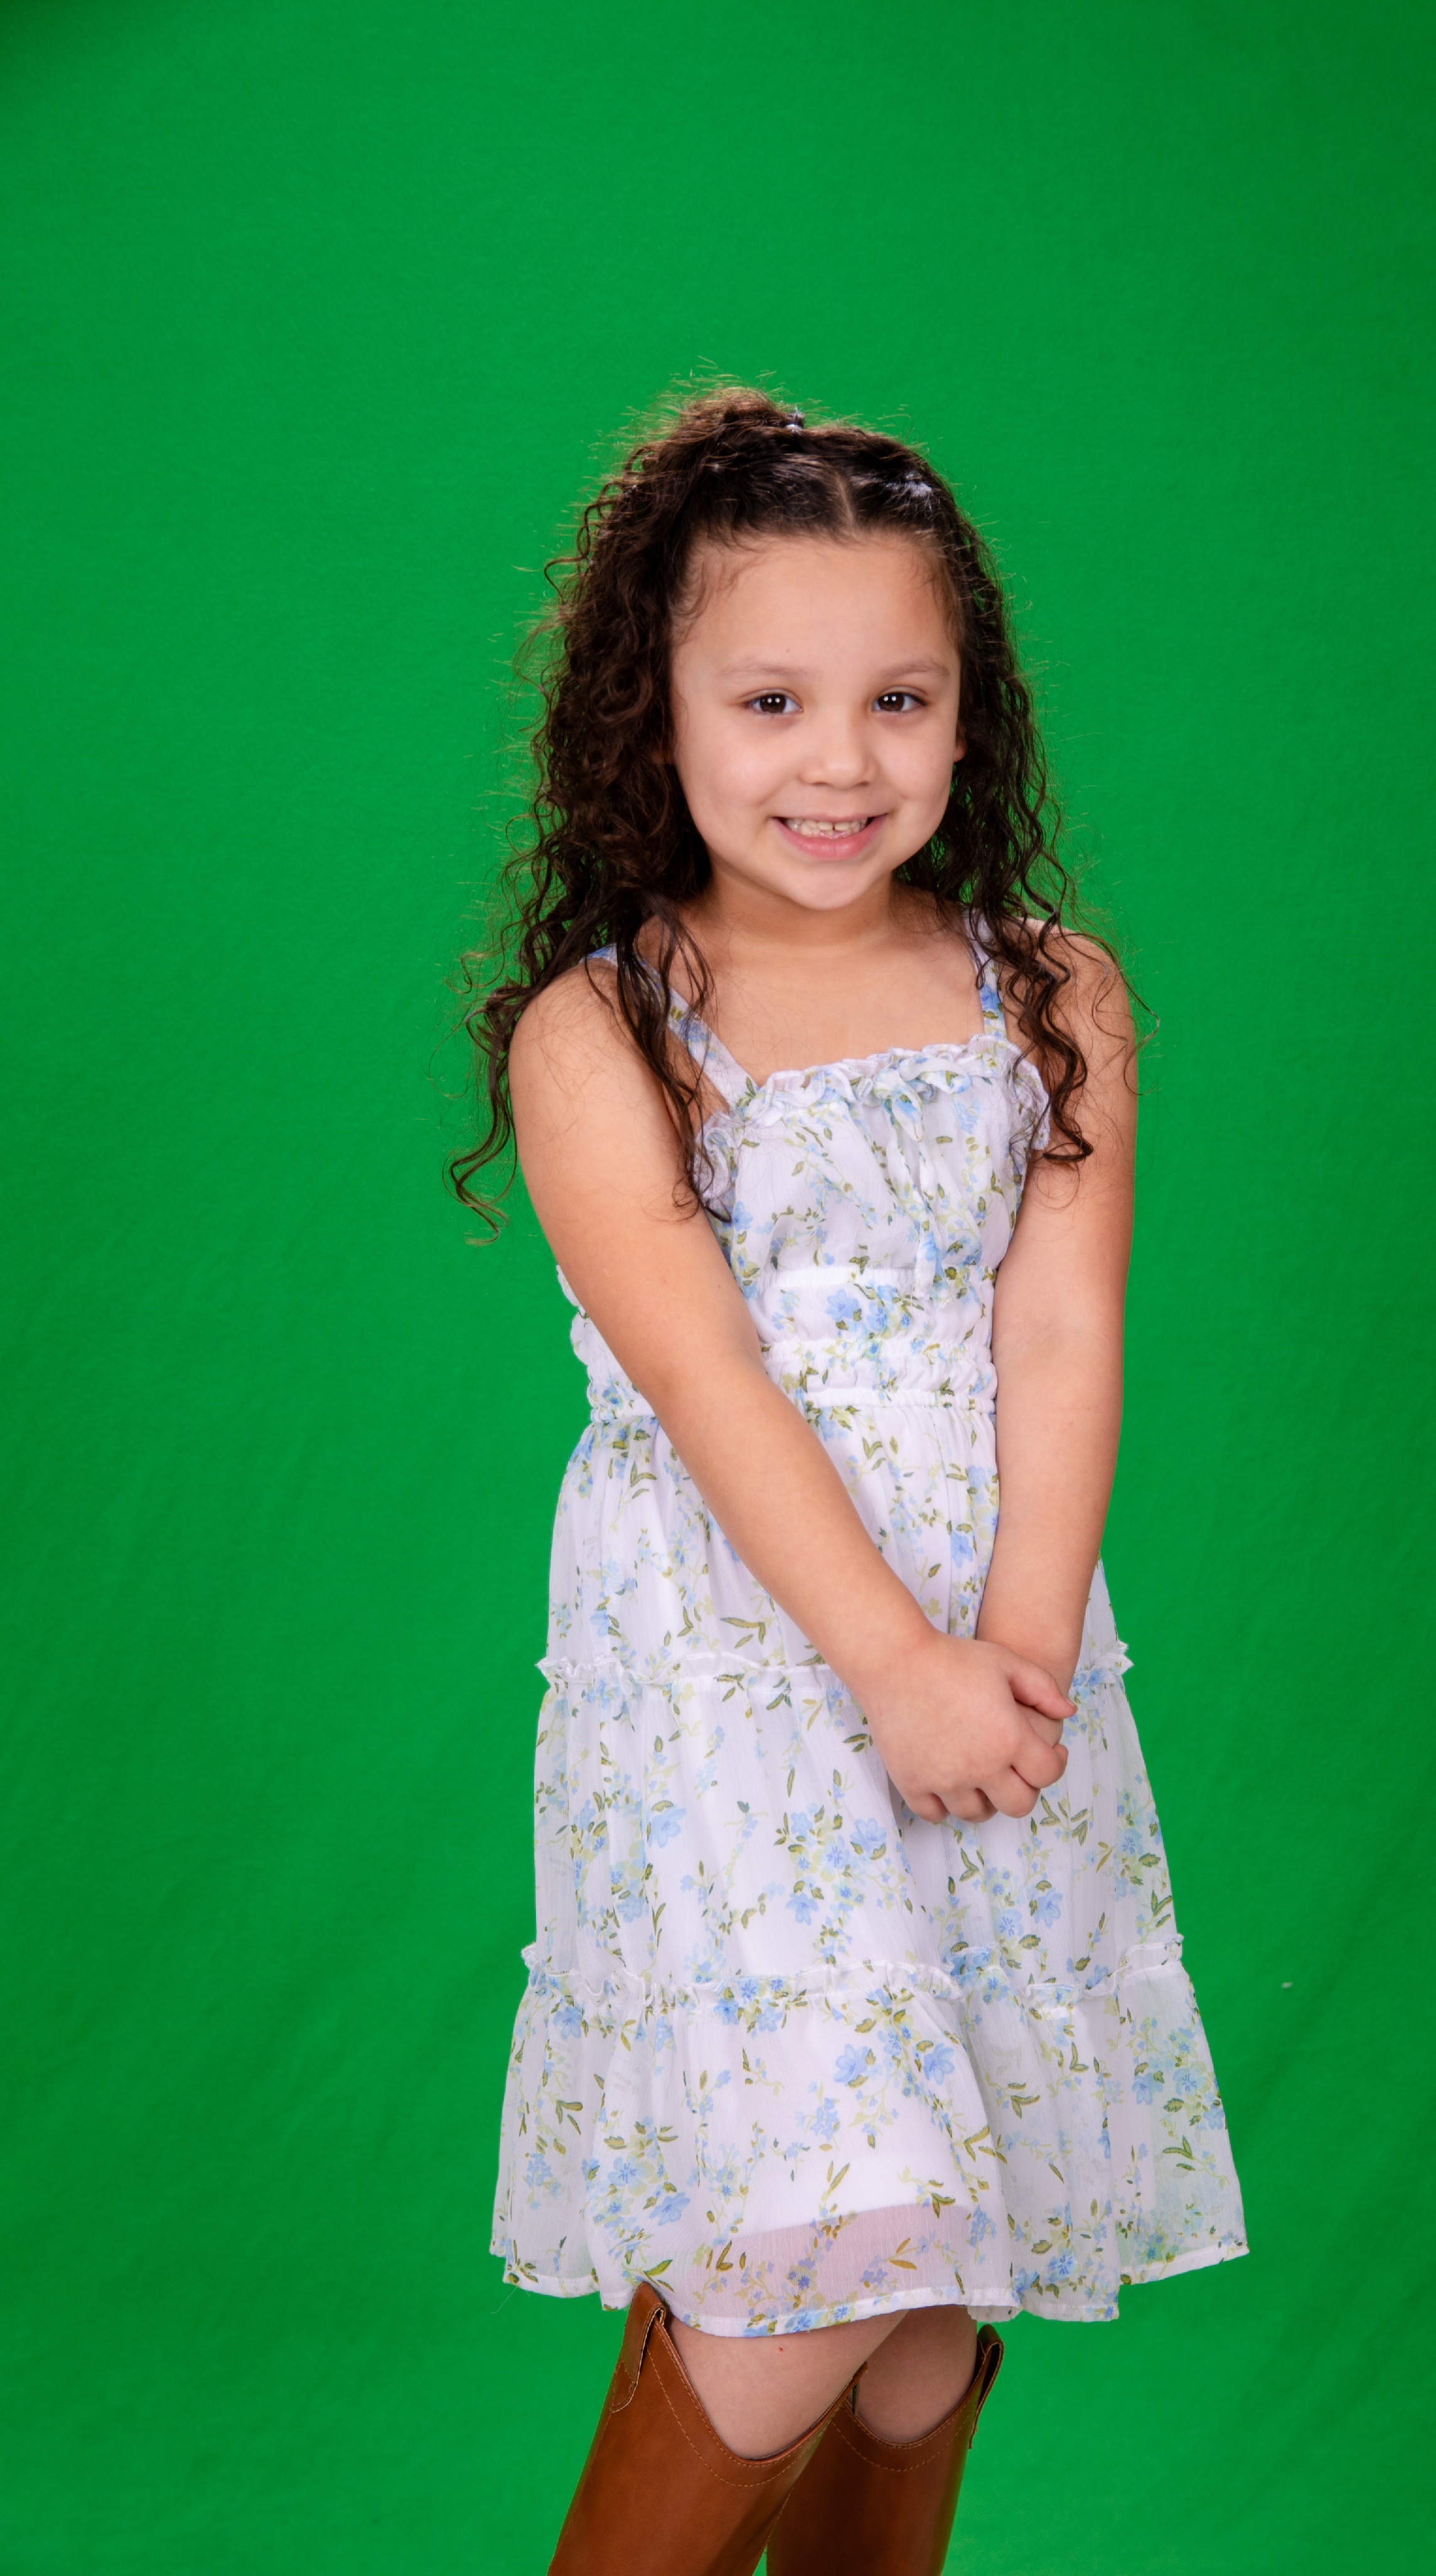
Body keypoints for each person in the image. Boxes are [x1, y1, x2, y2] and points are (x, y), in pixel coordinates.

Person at [456, 389, 1247, 2576]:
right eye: (773, 701)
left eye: (900, 699)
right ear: (655, 715)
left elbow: (1061, 1332)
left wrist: (1008, 1653)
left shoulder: (1050, 996)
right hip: (751, 1677)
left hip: (992, 1660)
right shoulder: (608, 1029)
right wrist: (891, 1663)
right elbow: (701, 1374)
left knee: (922, 2305)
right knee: (814, 2239)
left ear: (971, 713)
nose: (842, 760)